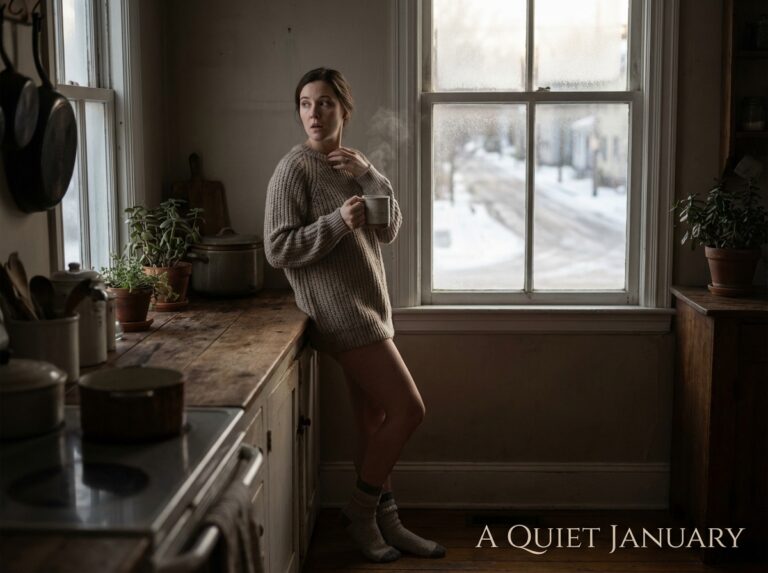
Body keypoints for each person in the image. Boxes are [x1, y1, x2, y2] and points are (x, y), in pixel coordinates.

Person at [263, 68, 446, 563]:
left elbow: (389, 230)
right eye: (304, 103)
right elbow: (277, 248)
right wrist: (336, 222)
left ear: (345, 109)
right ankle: (362, 512)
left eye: (324, 103)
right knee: (409, 410)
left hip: (371, 307)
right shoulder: (292, 170)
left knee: (373, 421)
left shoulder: (352, 166)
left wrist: (368, 174)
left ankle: (388, 523)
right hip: (342, 316)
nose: (313, 114)